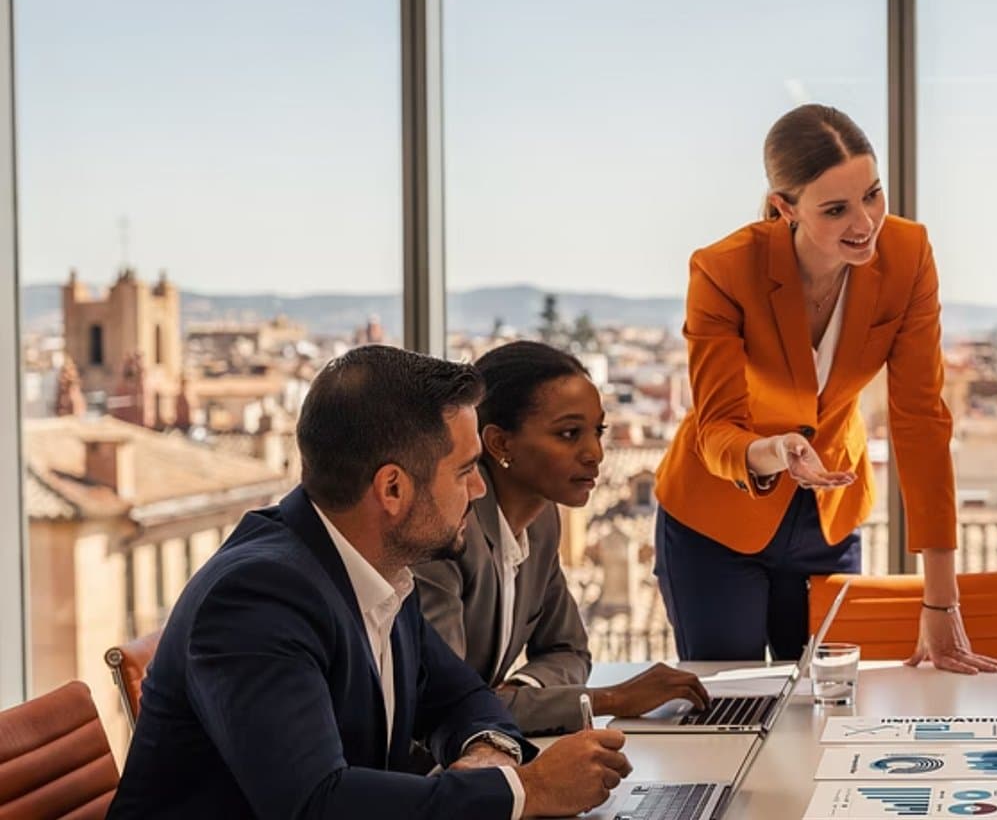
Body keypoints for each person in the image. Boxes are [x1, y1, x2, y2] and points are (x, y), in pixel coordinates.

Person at [109, 346, 632, 820]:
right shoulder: (258, 598)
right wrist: (525, 790)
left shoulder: (380, 568)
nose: (478, 489)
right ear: (392, 489)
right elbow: (316, 804)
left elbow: (462, 697)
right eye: (465, 470)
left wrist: (488, 754)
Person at [652, 104, 997, 672]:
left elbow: (921, 422)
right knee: (732, 706)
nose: (865, 223)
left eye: (873, 195)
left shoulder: (908, 254)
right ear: (784, 207)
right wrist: (776, 451)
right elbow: (715, 430)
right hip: (716, 520)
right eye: (836, 209)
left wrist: (940, 600)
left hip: (829, 515)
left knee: (830, 700)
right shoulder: (723, 271)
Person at [416, 340, 711, 736]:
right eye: (569, 433)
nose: (595, 453)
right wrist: (612, 699)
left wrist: (520, 693)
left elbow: (568, 648)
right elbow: (450, 706)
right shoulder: (447, 534)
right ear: (500, 443)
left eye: (598, 431)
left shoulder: (541, 523)